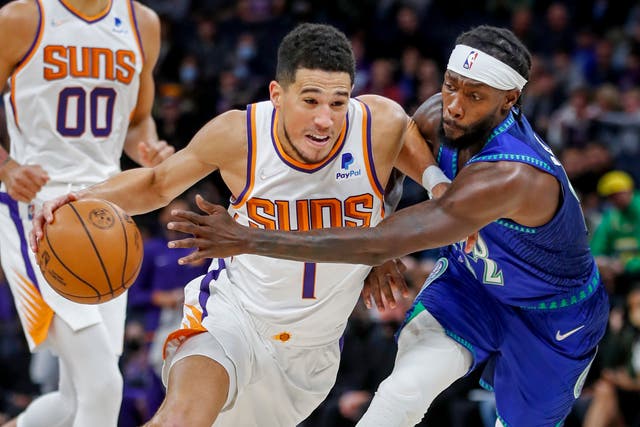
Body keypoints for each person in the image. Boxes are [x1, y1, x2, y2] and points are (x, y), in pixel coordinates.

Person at [162, 25, 611, 427]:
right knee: (400, 395)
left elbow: (384, 237)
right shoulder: (439, 118)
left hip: (552, 314)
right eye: (451, 86)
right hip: (472, 287)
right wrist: (384, 249)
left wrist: (249, 238)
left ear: (509, 100)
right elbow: (385, 180)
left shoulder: (512, 176)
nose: (454, 105)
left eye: (474, 96)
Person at [31, 23, 453, 426]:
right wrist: (81, 197)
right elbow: (157, 183)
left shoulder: (381, 126)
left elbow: (410, 182)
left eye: (338, 102)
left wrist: (386, 247)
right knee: (178, 420)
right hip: (233, 317)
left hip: (313, 352)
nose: (325, 118)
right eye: (309, 100)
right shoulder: (240, 135)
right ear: (277, 94)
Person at [0, 0, 174, 425]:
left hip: (104, 213)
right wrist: (6, 165)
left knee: (73, 401)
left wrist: (149, 149)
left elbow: (137, 123)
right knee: (103, 386)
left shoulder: (141, 23)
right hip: (35, 213)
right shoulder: (22, 18)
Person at [591, 170, 640, 298]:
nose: (615, 199)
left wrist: (628, 265)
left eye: (618, 194)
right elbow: (597, 249)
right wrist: (603, 263)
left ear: (630, 189)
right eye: (611, 196)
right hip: (621, 275)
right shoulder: (611, 217)